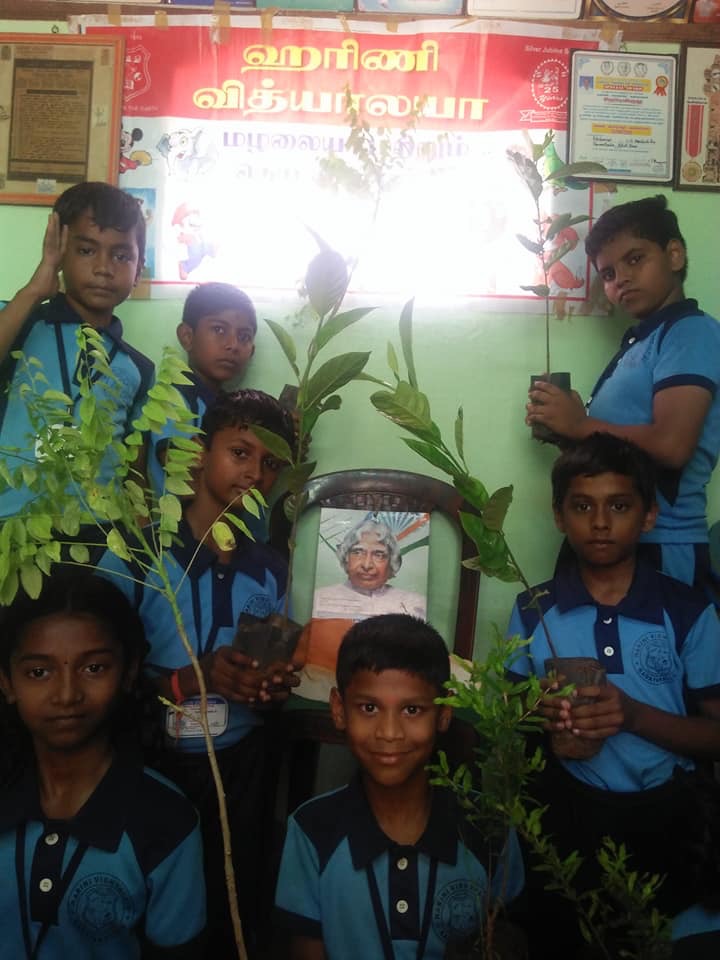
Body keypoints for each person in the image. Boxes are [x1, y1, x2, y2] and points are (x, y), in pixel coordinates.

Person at [99, 388, 299, 958]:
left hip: (242, 766)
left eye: (270, 464)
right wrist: (191, 679)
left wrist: (269, 685)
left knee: (235, 895)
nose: (255, 473)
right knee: (157, 900)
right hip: (150, 759)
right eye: (240, 452)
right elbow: (99, 679)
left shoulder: (270, 569)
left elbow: (267, 665)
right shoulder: (139, 553)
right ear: (199, 454)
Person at [506, 433, 720, 956]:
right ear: (559, 516)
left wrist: (630, 714)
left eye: (619, 506)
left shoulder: (688, 610)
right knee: (566, 937)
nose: (600, 522)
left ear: (647, 516)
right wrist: (543, 714)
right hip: (566, 818)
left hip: (666, 820)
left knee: (654, 939)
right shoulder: (534, 608)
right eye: (582, 506)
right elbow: (508, 718)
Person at [275, 613, 524, 959]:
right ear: (339, 709)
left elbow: (506, 938)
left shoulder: (489, 828)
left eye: (411, 709)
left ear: (444, 713)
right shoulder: (311, 832)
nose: (389, 732)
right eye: (369, 707)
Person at [0, 569, 206, 958]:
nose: (66, 695)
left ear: (128, 673)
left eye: (93, 668)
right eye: (38, 672)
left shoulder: (168, 821)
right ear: (7, 682)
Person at [526, 195, 720, 589]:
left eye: (635, 259)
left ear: (675, 255)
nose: (621, 280)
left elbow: (671, 446)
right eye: (609, 274)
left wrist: (581, 425)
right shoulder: (640, 343)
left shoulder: (690, 332)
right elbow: (623, 455)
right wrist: (570, 436)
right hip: (614, 541)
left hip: (662, 543)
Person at [0, 181, 153, 519]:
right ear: (59, 253)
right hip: (9, 529)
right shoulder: (21, 322)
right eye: (86, 250)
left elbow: (135, 468)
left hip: (93, 542)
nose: (103, 267)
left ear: (138, 269)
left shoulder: (137, 367)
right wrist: (35, 287)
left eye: (121, 255)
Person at [149, 281, 257, 497]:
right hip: (179, 526)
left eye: (243, 337)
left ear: (251, 351)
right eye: (219, 329)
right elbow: (179, 469)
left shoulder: (231, 408)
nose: (233, 345)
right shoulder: (173, 396)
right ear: (187, 336)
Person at [313, 517, 427, 621]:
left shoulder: (415, 605)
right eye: (357, 552)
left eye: (379, 554)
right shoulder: (319, 598)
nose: (367, 565)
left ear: (391, 562)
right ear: (346, 558)